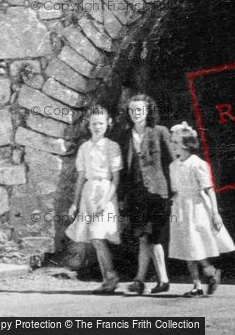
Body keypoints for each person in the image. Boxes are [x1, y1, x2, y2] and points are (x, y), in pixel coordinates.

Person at [169, 121, 235, 298]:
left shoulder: (197, 164)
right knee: (185, 246)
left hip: (197, 207)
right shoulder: (173, 166)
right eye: (172, 142)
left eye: (175, 142)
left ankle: (210, 270)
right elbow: (175, 190)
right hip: (180, 208)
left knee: (194, 243)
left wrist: (215, 213)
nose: (173, 145)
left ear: (185, 145)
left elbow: (208, 189)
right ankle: (196, 284)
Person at [120, 94, 174, 294]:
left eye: (139, 110)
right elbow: (123, 170)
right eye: (132, 110)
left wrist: (174, 191)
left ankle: (162, 279)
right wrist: (121, 197)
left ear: (148, 111)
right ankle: (140, 280)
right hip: (136, 194)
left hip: (158, 193)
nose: (135, 114)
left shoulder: (160, 132)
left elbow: (172, 163)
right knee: (142, 236)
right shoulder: (125, 136)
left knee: (155, 238)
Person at [66, 105, 123, 294]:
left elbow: (116, 178)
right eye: (93, 124)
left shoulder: (112, 146)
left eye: (101, 123)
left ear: (107, 124)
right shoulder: (84, 148)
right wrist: (75, 203)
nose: (97, 127)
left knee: (98, 236)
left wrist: (105, 200)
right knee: (92, 237)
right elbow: (81, 177)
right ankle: (108, 278)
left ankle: (111, 276)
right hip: (88, 193)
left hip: (105, 191)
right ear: (88, 126)